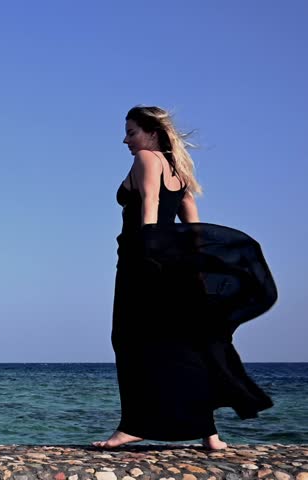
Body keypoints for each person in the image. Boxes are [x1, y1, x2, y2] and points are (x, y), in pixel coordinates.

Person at [93, 106, 276, 450]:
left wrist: (149, 258)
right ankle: (210, 433)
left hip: (143, 260)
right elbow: (191, 222)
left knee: (129, 339)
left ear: (151, 132)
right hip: (176, 262)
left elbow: (148, 206)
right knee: (186, 343)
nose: (126, 140)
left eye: (131, 132)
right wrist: (198, 268)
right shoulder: (179, 168)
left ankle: (132, 426)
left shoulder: (147, 159)